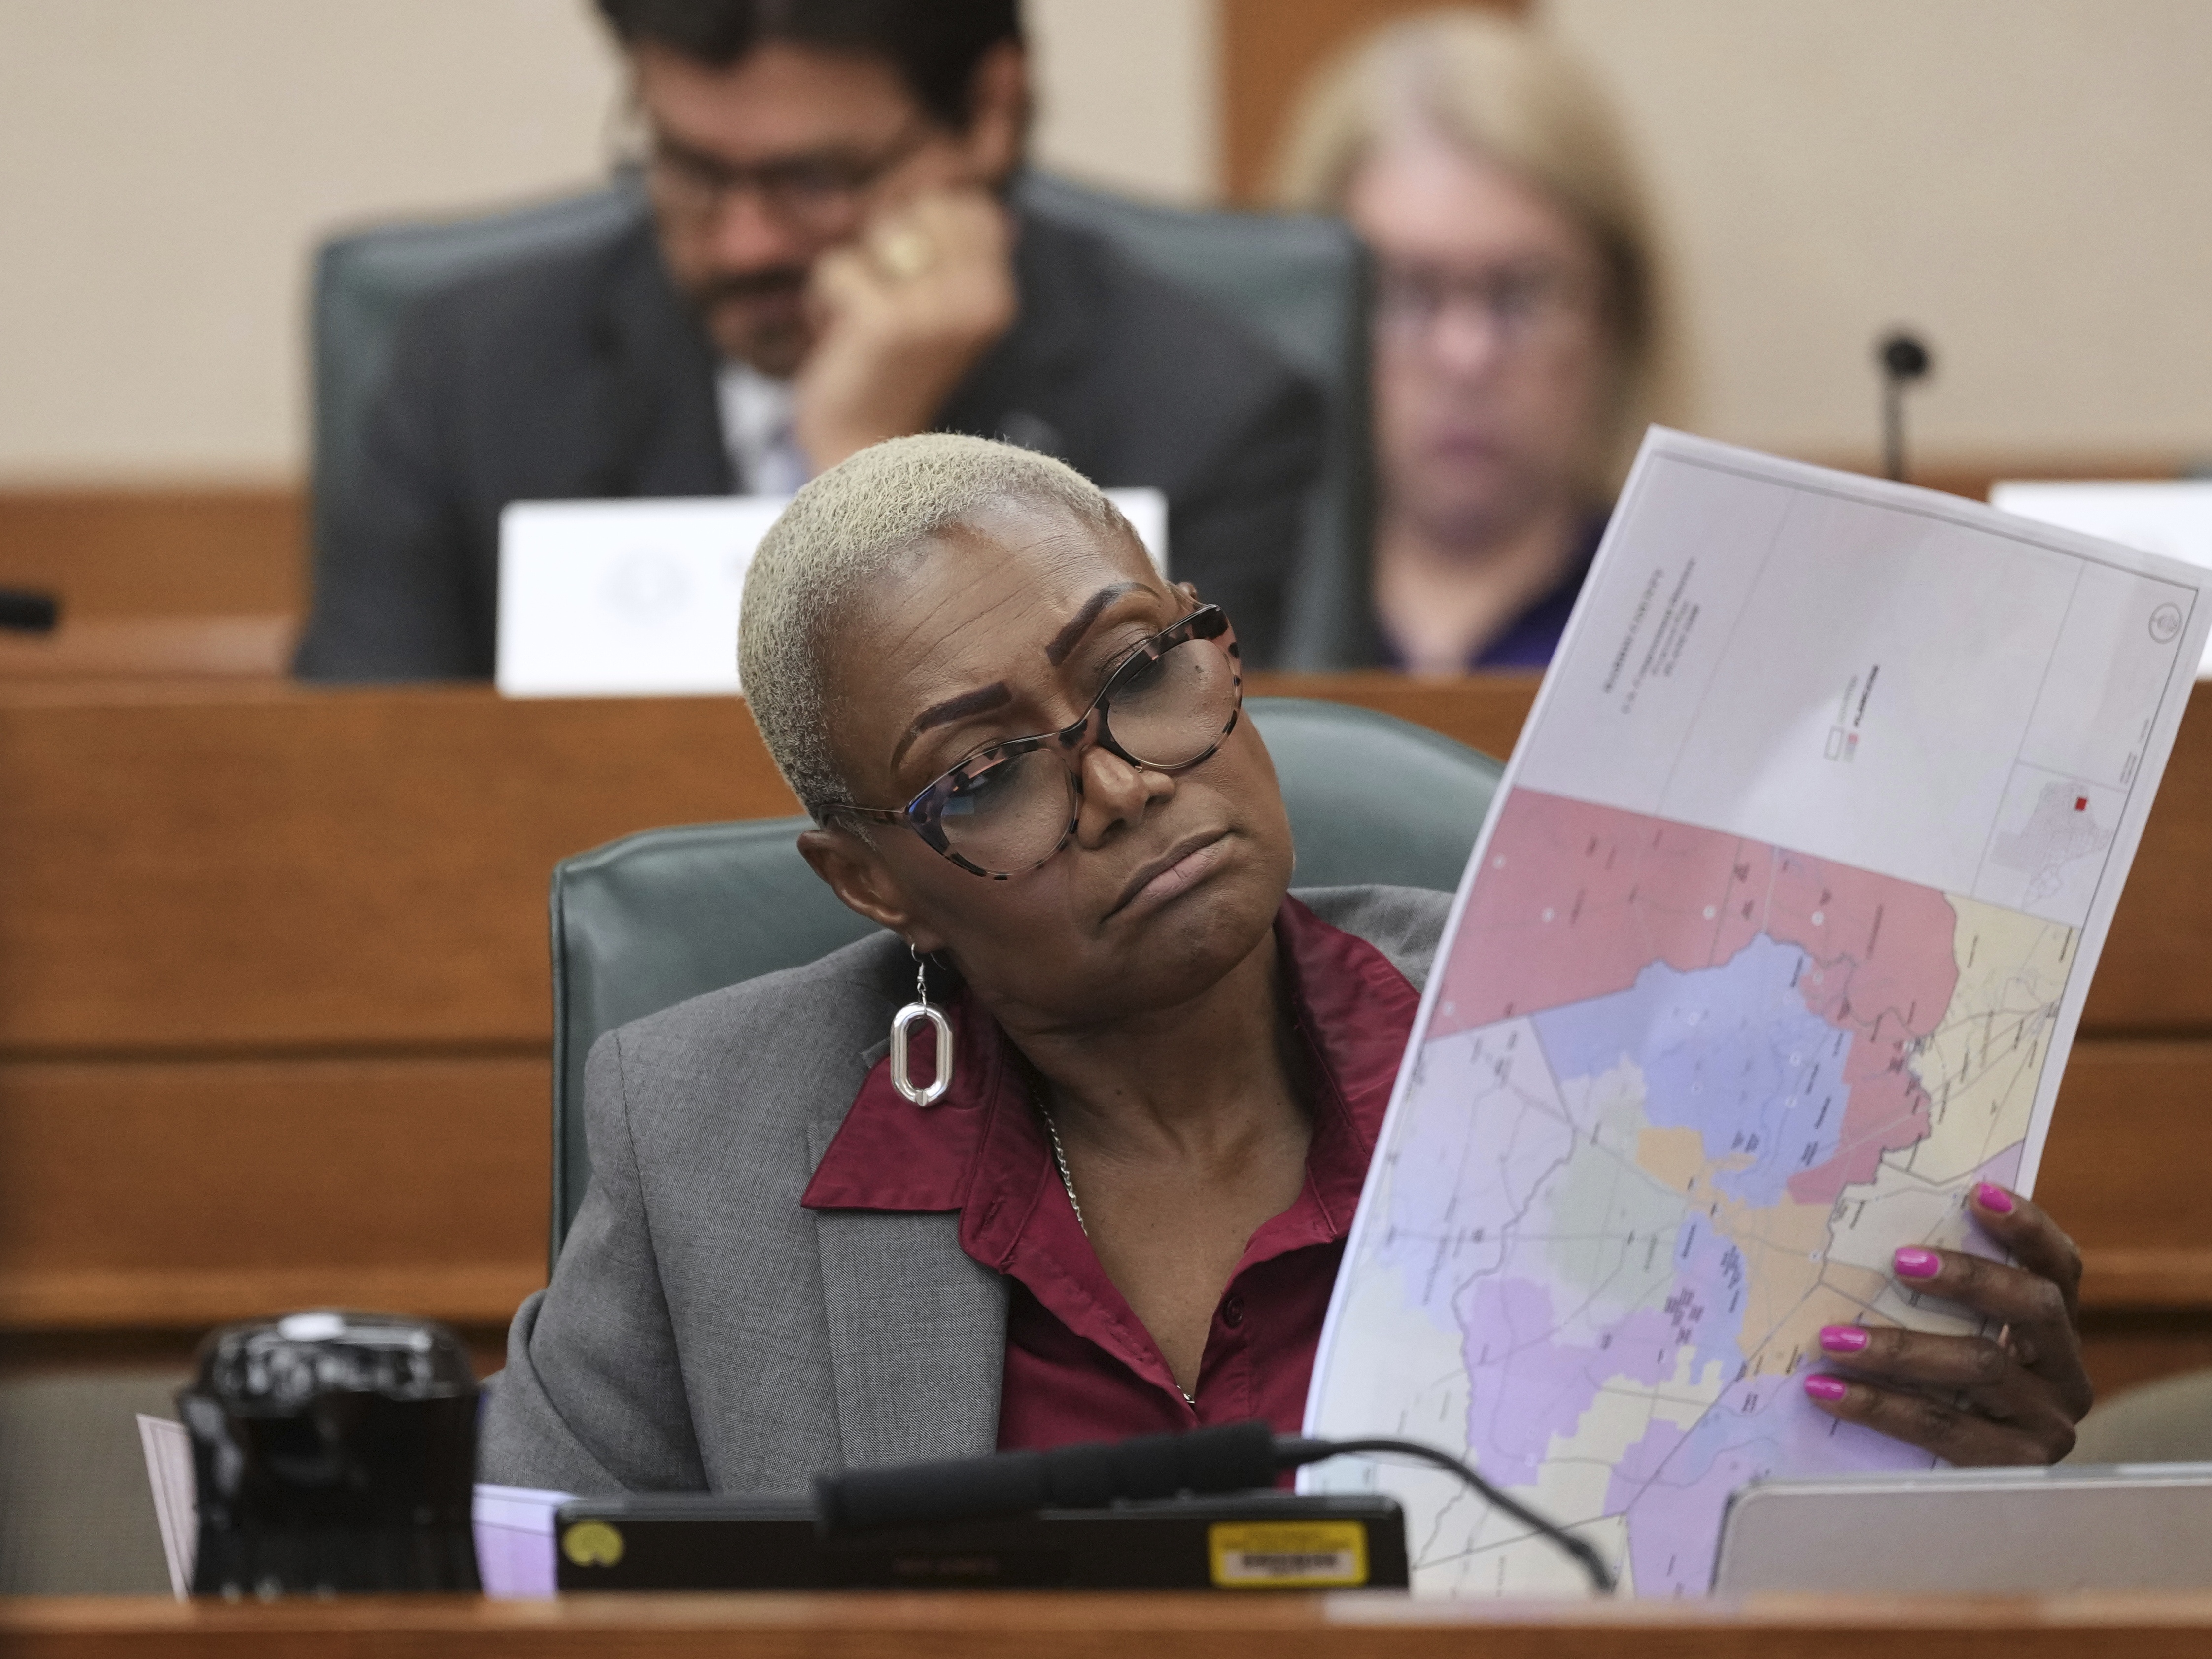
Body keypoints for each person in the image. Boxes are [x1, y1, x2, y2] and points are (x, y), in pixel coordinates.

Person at [480, 432, 2091, 1494]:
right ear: (868, 882)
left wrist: (1950, 1464)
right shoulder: (701, 1139)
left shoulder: (1609, 1054)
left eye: (1133, 669)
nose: (1118, 781)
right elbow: (511, 1599)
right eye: (983, 776)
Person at [293, 0, 1322, 681]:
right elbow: (355, 786)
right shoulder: (470, 374)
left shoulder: (1199, 405)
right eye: (692, 167)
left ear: (987, 113)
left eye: (813, 181)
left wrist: (869, 462)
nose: (743, 242)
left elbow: (1150, 817)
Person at [1274, 10, 1681, 673]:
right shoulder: (1226, 626)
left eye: (1522, 294)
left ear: (1616, 314)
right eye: (1404, 294)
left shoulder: (1678, 627)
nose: (1466, 357)